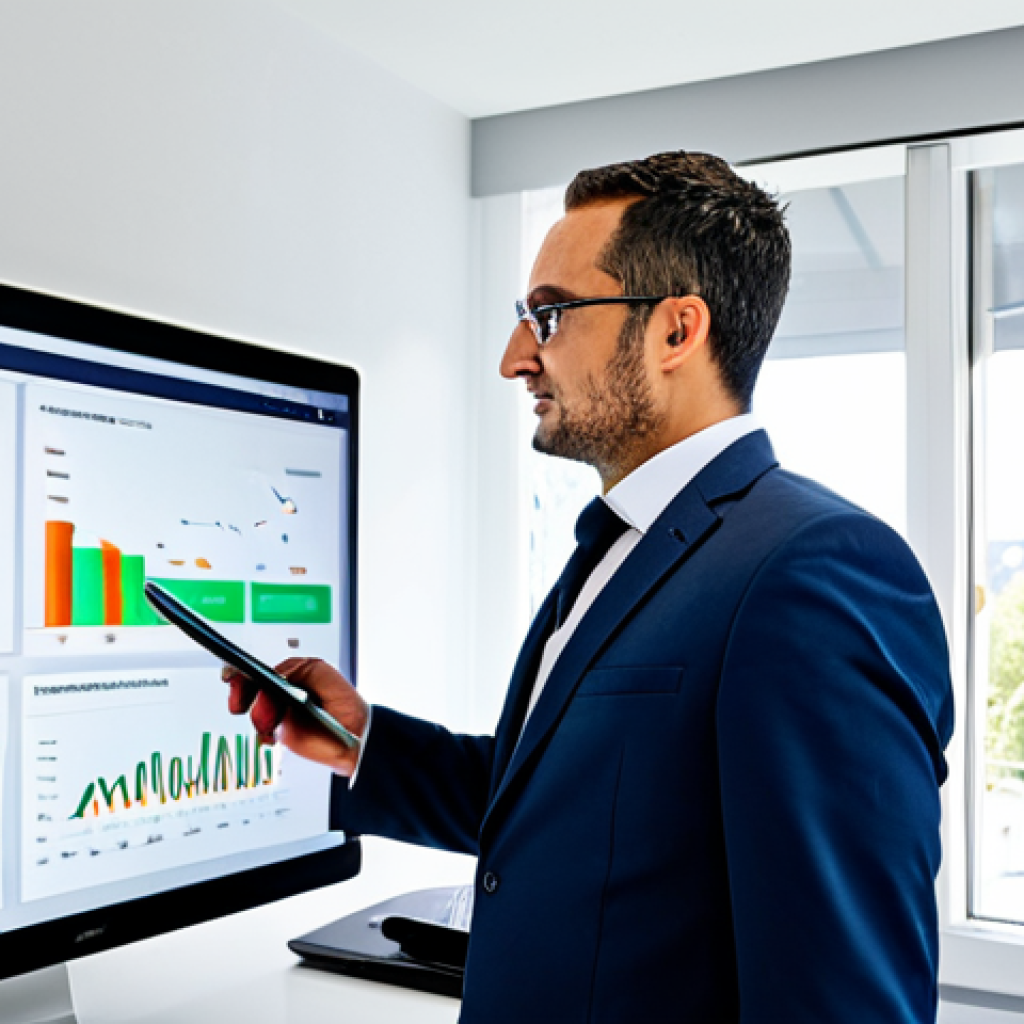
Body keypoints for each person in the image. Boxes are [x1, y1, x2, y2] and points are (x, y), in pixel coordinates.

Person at [226, 151, 954, 1023]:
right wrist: (363, 742)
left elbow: (843, 999)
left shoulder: (817, 570)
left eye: (550, 314)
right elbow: (570, 805)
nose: (514, 359)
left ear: (677, 331)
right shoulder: (620, 544)